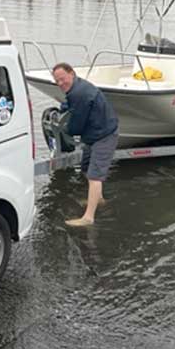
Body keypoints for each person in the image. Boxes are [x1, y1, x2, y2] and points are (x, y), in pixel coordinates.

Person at [51, 62, 118, 226]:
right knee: (87, 168)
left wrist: (65, 130)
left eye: (63, 79)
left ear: (72, 73)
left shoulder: (80, 93)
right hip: (94, 135)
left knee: (95, 175)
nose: (60, 83)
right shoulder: (76, 88)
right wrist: (63, 109)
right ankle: (99, 199)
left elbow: (77, 125)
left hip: (104, 135)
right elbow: (70, 104)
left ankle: (88, 217)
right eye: (57, 81)